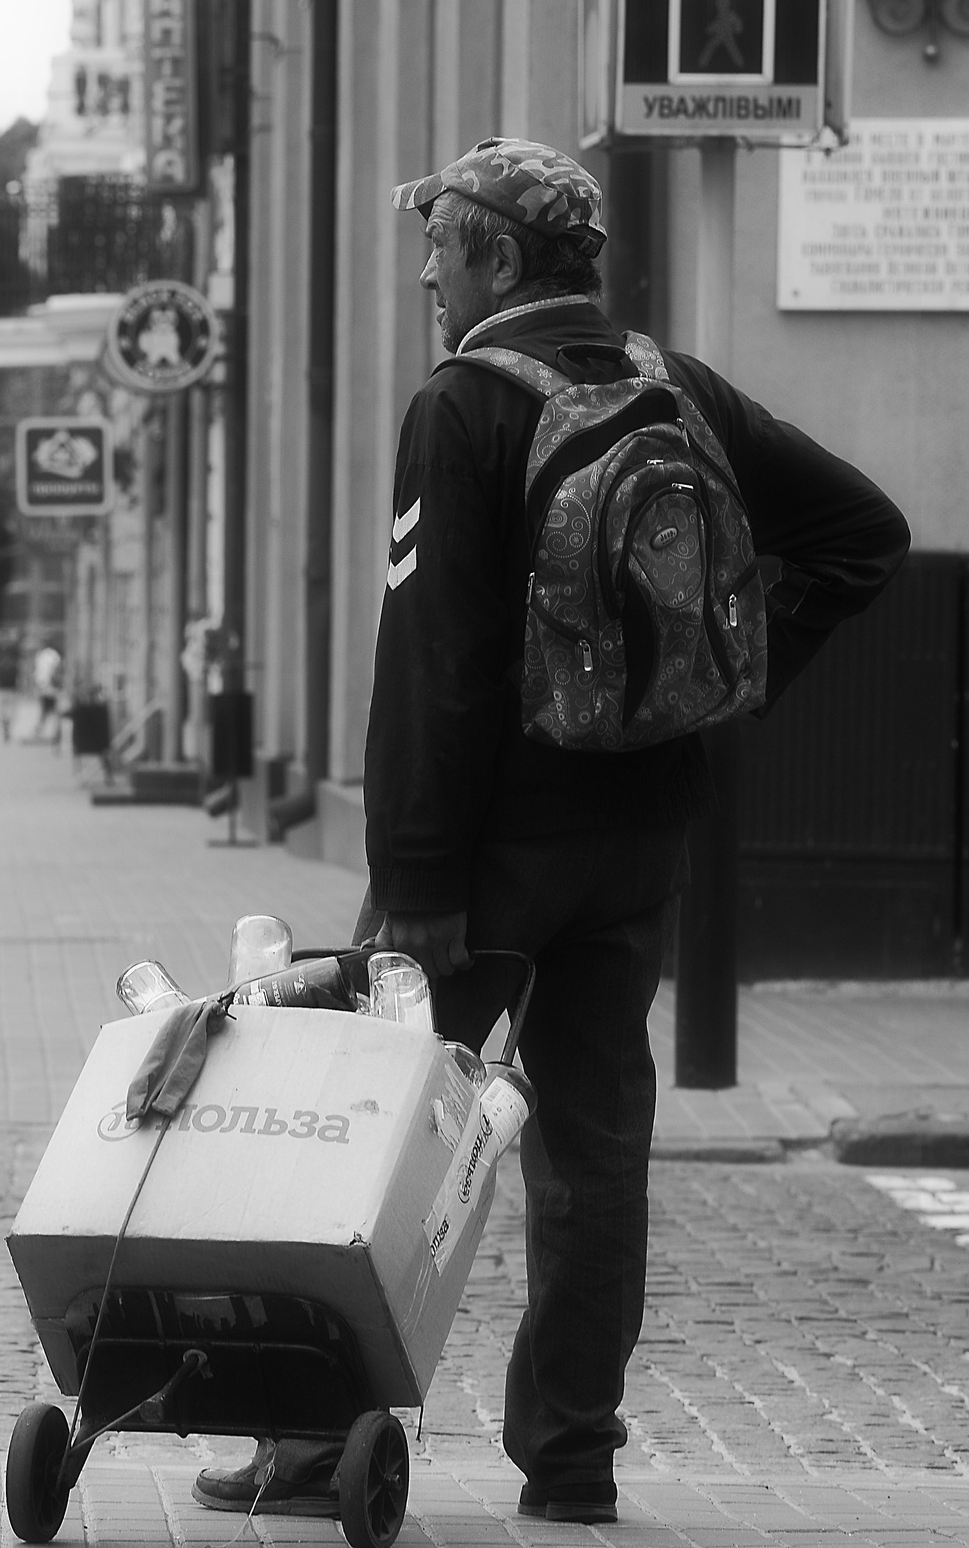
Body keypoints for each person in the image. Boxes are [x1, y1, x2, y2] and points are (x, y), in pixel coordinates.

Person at [194, 139, 907, 1526]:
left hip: (484, 862)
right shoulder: (674, 386)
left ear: (501, 261)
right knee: (594, 1149)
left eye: (442, 248)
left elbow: (435, 661)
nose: (424, 271)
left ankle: (300, 1446)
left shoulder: (464, 404)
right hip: (640, 839)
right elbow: (862, 533)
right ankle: (572, 1457)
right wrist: (723, 683)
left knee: (370, 1130)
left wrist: (411, 882)